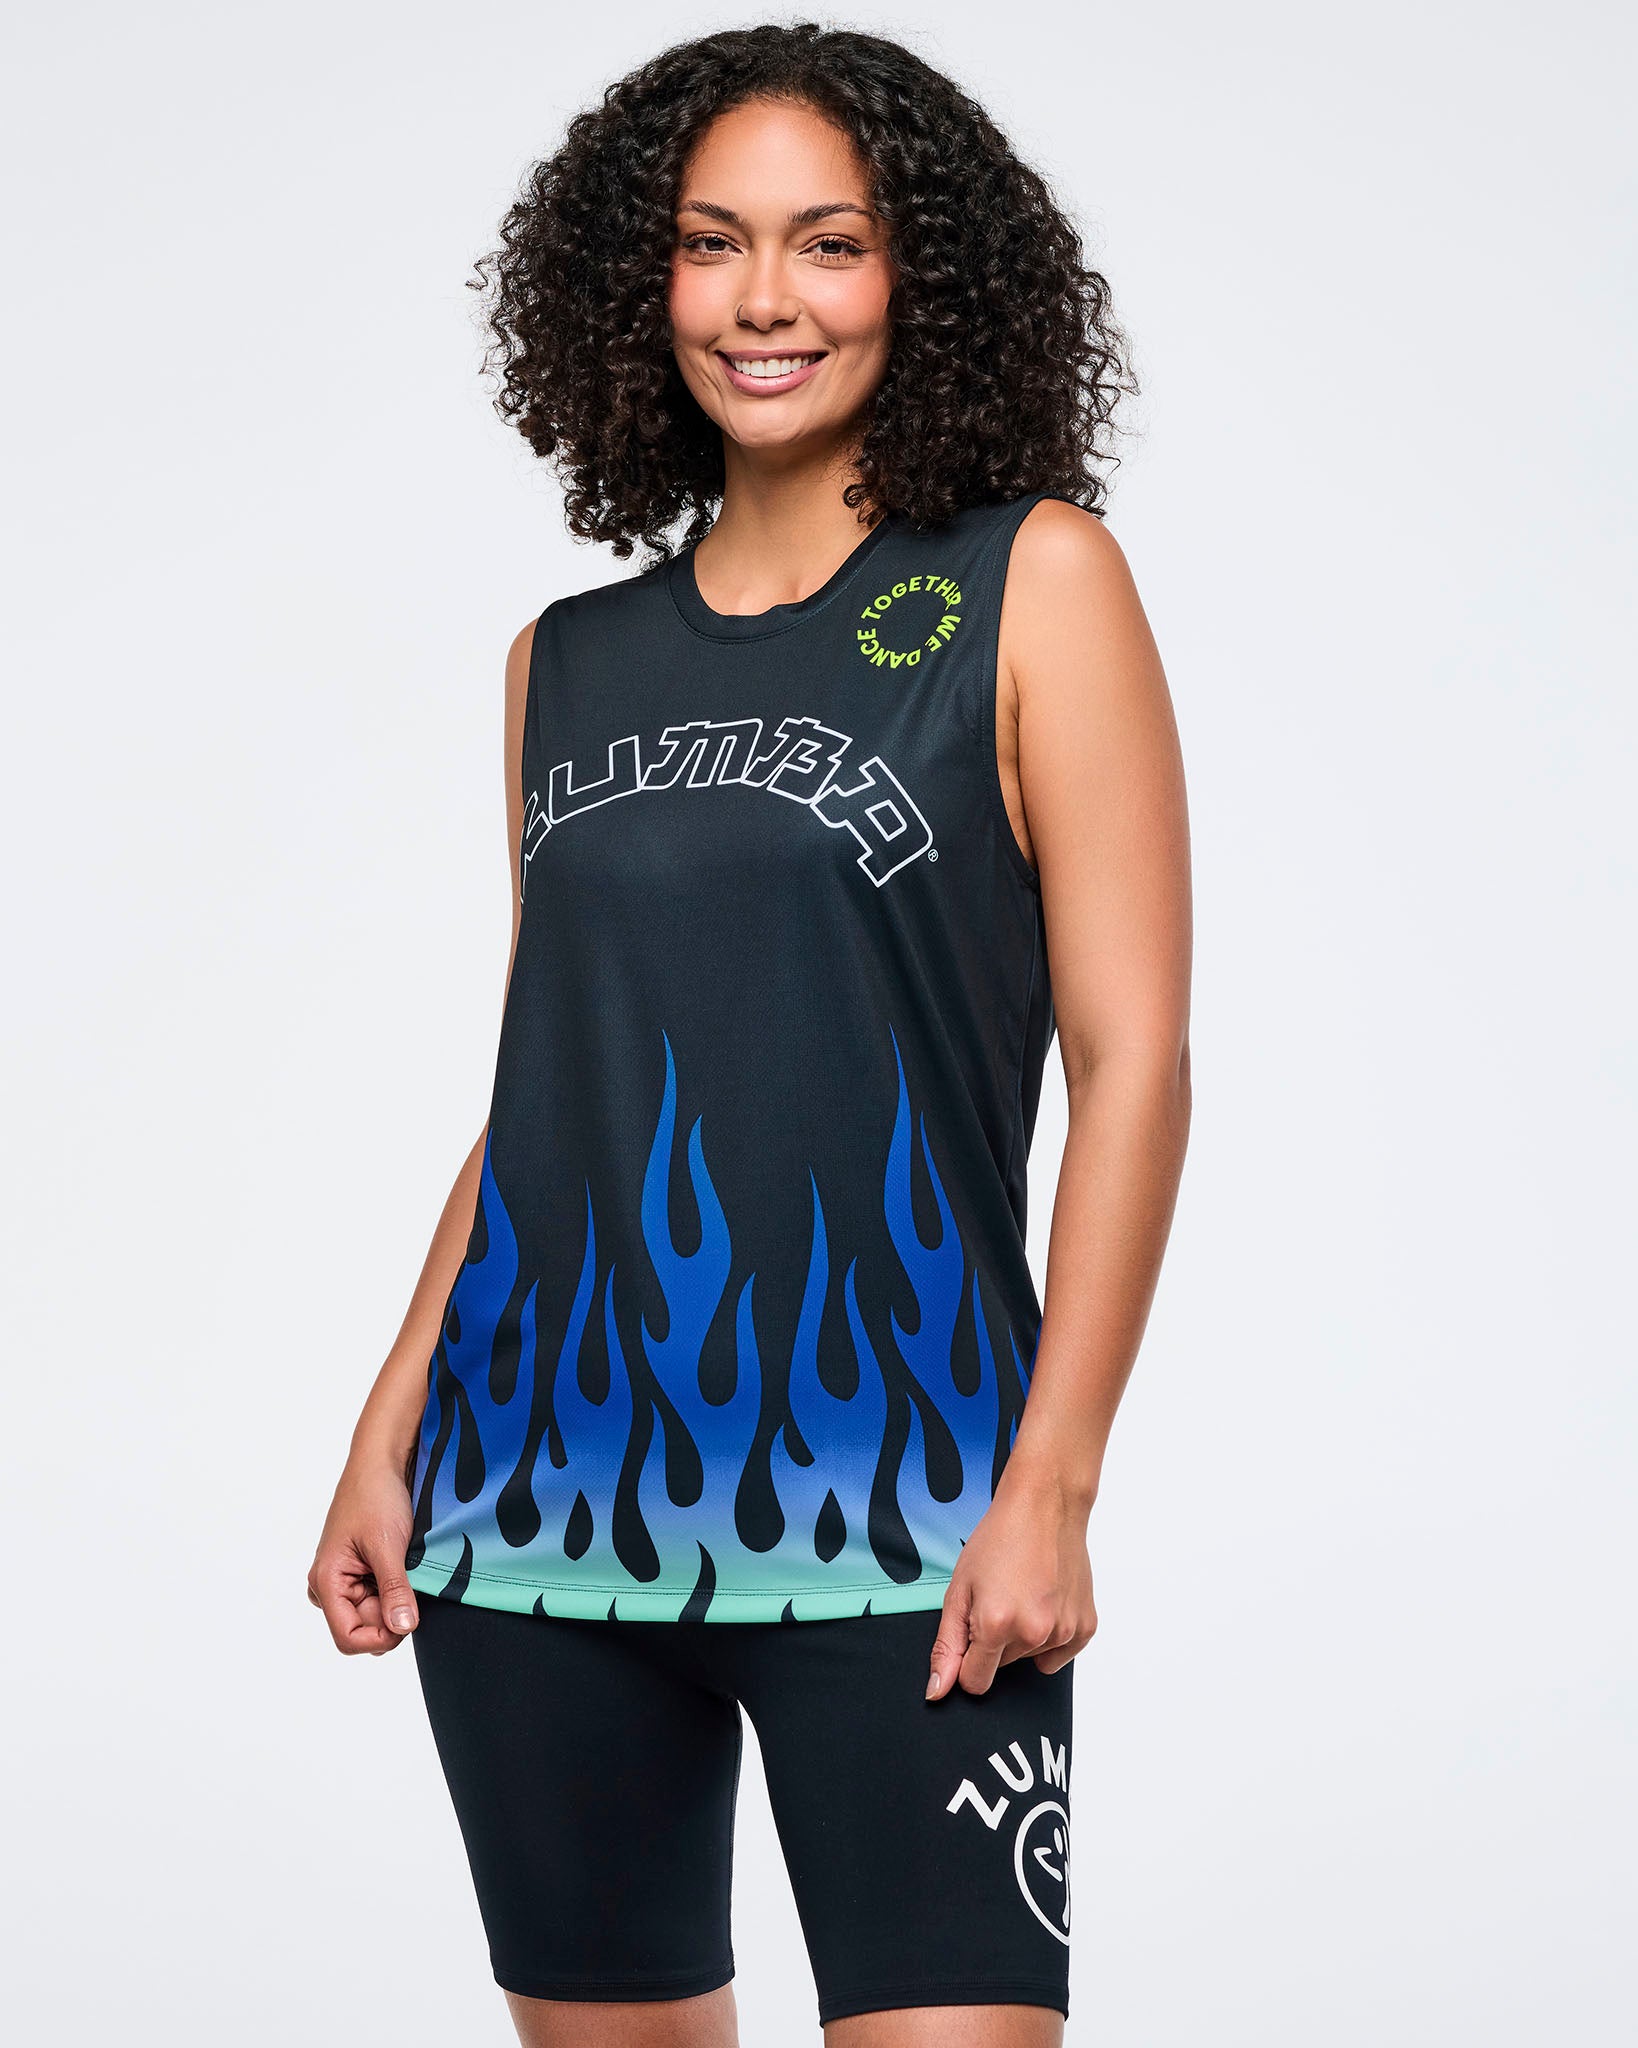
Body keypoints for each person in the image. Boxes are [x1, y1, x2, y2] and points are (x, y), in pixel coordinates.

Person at [308, 23, 1191, 2046]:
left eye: (828, 242)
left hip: (905, 1509)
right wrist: (390, 1413)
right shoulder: (564, 661)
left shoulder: (1032, 584)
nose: (763, 299)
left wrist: (1054, 1477)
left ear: (924, 277)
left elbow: (1135, 1061)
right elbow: (556, 1075)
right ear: (642, 286)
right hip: (535, 1510)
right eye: (712, 245)